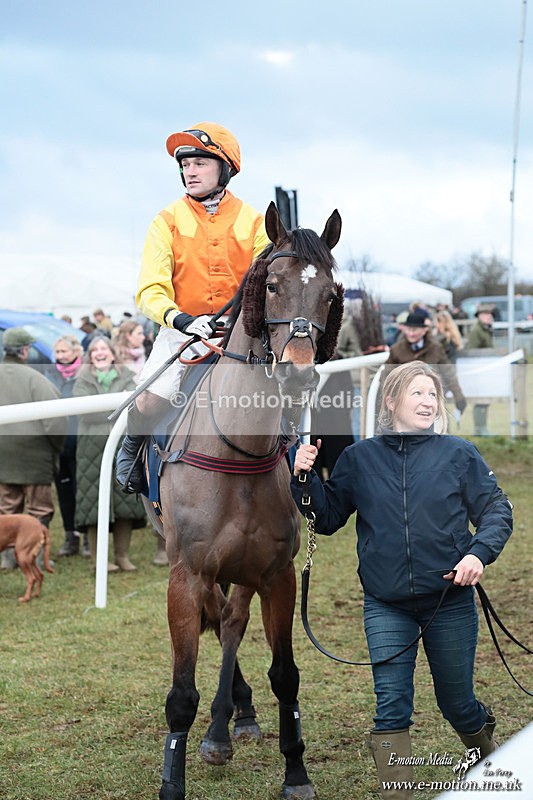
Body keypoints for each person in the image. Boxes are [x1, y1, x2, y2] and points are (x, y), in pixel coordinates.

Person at [291, 362, 513, 798]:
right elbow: (329, 518)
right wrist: (303, 477)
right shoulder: (359, 458)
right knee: (391, 706)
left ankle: (495, 770)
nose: (429, 401)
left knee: (458, 705)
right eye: (417, 393)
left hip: (448, 600)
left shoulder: (459, 453)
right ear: (391, 401)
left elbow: (496, 511)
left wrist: (476, 553)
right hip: (385, 604)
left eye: (433, 394)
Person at [115, 122, 270, 498]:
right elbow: (150, 289)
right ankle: (131, 451)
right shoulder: (165, 220)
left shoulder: (255, 221)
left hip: (240, 333)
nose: (190, 171)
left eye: (200, 162)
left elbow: (267, 279)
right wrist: (182, 320)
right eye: (186, 164)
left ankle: (296, 467)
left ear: (224, 168)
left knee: (282, 391)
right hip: (182, 330)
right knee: (150, 398)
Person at [73, 336, 146, 572]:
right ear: (90, 355)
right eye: (95, 350)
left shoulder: (127, 376)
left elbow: (134, 405)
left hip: (122, 444)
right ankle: (98, 560)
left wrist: (107, 407)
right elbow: (85, 411)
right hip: (91, 449)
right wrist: (116, 407)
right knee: (95, 502)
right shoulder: (82, 379)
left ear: (112, 353)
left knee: (124, 499)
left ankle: (122, 556)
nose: (100, 352)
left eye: (104, 348)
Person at [0, 328, 67, 569]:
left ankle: (7, 560)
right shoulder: (36, 379)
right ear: (25, 351)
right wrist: (54, 448)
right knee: (40, 507)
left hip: (3, 457)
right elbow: (56, 421)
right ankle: (36, 557)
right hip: (35, 455)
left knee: (7, 506)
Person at [44, 335, 89, 557]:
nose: (60, 356)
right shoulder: (49, 374)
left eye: (64, 351)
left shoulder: (86, 373)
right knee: (64, 493)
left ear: (76, 352)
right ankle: (71, 536)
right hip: (60, 445)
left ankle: (89, 536)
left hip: (82, 443)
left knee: (83, 492)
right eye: (58, 352)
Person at [383, 311, 467, 415]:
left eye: (415, 330)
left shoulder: (435, 348)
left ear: (424, 330)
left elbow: (449, 372)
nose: (411, 333)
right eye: (408, 329)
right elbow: (386, 376)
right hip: (406, 403)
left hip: (432, 401)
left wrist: (458, 396)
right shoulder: (396, 350)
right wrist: (390, 397)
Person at [466, 304, 495, 436]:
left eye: (490, 314)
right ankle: (479, 429)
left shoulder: (486, 330)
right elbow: (471, 351)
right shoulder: (476, 331)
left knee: (485, 400)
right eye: (486, 314)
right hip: (478, 370)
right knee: (480, 400)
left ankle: (482, 427)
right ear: (479, 316)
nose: (489, 316)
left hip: (485, 369)